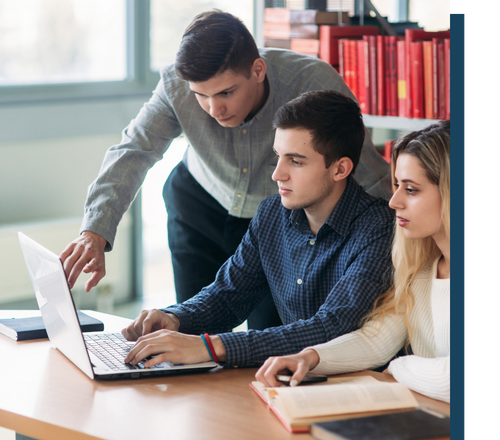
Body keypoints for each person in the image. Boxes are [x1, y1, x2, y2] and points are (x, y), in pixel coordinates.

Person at [59, 9, 392, 331]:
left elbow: (363, 169)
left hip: (274, 220)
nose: (213, 109)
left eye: (226, 92)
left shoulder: (312, 82)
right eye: (200, 96)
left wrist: (403, 242)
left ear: (257, 69)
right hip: (198, 206)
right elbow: (134, 150)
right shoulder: (175, 86)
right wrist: (95, 231)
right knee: (188, 324)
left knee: (268, 335)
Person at [120, 90, 395, 370]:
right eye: (278, 156)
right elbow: (229, 295)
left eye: (296, 161)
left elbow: (331, 328)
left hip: (360, 388)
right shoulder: (272, 214)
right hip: (293, 382)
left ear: (340, 169)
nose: (278, 174)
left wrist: (211, 347)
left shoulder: (379, 229)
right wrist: (175, 318)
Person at [255, 121, 451, 403]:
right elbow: (377, 340)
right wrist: (309, 358)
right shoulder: (422, 272)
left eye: (410, 190)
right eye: (396, 186)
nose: (393, 201)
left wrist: (398, 367)